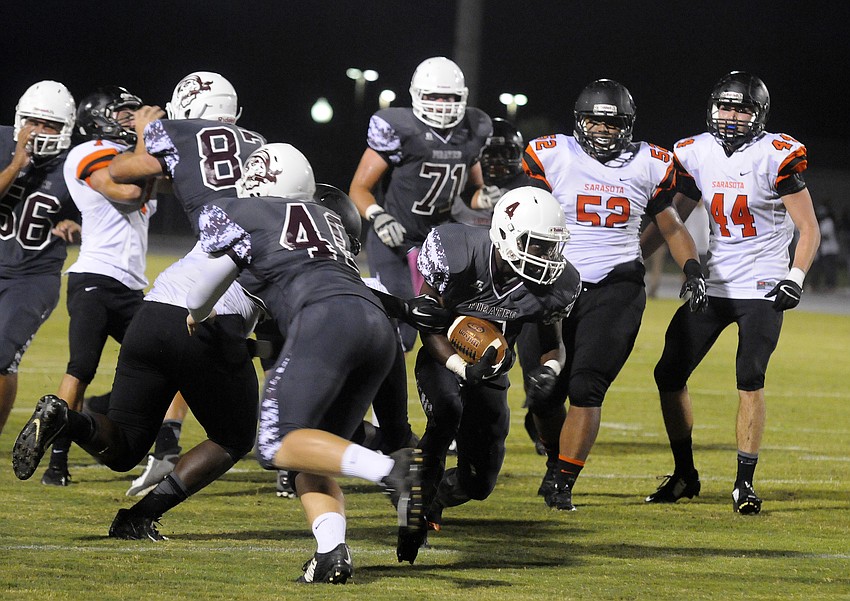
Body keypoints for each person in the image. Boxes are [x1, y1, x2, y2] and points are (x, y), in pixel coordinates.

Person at [183, 143, 424, 584]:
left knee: (276, 443)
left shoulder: (247, 213)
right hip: (375, 322)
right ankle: (331, 552)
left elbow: (200, 293)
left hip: (325, 318)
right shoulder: (327, 219)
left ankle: (392, 472)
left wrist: (199, 314)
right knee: (311, 451)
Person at [522, 79, 706, 511]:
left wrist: (693, 269)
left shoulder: (648, 162)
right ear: (579, 121)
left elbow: (671, 224)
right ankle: (554, 460)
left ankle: (563, 482)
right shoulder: (553, 154)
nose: (603, 130)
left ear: (628, 125)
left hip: (616, 285)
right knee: (544, 393)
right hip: (552, 283)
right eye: (595, 121)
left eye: (612, 123)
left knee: (586, 385)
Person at [641, 71, 820, 514]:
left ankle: (744, 484)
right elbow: (673, 219)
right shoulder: (695, 152)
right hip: (716, 281)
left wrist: (795, 277)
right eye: (725, 107)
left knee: (749, 376)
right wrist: (635, 257)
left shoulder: (775, 155)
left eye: (742, 109)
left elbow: (809, 228)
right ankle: (685, 474)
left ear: (759, 114)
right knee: (669, 372)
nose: (731, 116)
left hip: (763, 284)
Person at [398, 186, 582, 564]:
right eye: (537, 244)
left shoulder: (555, 283)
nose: (546, 257)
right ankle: (414, 511)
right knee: (446, 413)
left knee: (479, 483)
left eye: (551, 247)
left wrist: (550, 371)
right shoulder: (458, 252)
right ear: (506, 234)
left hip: (492, 372)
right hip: (443, 356)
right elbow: (429, 325)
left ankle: (434, 496)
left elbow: (553, 344)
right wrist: (462, 367)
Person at [107, 71, 266, 495]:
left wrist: (144, 133)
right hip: (257, 261)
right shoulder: (258, 143)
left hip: (204, 272)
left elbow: (122, 170)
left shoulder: (179, 132)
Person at [36, 85, 158, 486]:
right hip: (94, 279)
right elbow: (128, 192)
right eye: (123, 113)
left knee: (168, 357)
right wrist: (147, 139)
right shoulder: (91, 151)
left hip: (130, 287)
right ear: (99, 119)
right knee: (82, 366)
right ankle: (56, 462)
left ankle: (103, 407)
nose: (131, 119)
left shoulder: (130, 156)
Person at [349, 56, 493, 351]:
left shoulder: (472, 130)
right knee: (399, 329)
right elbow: (359, 188)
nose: (441, 104)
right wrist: (378, 216)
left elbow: (470, 193)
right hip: (395, 237)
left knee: (447, 323)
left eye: (448, 97)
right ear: (417, 95)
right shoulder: (400, 128)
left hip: (440, 241)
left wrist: (486, 197)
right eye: (433, 96)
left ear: (461, 97)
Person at [0, 80, 79, 437]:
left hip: (32, 277)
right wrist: (17, 163)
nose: (39, 131)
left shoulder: (75, 163)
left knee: (3, 355)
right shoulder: (3, 143)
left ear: (67, 128)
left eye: (50, 125)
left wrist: (76, 225)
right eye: (33, 121)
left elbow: (97, 216)